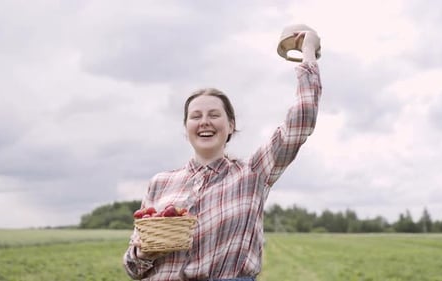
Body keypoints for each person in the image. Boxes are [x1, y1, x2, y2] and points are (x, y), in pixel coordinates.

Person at [123, 29, 322, 281]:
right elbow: (132, 268)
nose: (204, 122)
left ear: (230, 125)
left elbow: (300, 122)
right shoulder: (160, 183)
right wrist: (143, 252)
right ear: (186, 128)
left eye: (214, 115)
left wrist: (308, 52)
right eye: (196, 116)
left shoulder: (252, 173)